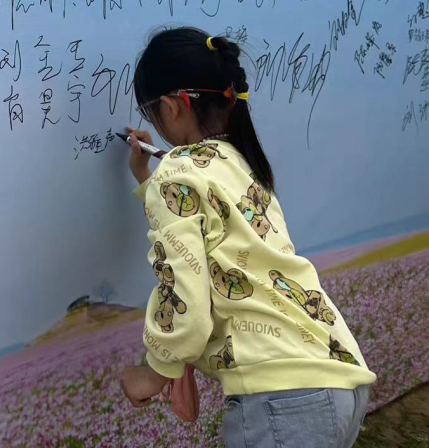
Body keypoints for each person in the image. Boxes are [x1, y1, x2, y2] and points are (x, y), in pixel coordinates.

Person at [118, 28, 375, 448]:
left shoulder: (177, 172)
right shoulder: (241, 162)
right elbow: (212, 227)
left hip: (284, 401)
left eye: (151, 112)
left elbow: (186, 300)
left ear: (172, 105)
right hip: (336, 376)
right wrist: (147, 178)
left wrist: (155, 370)